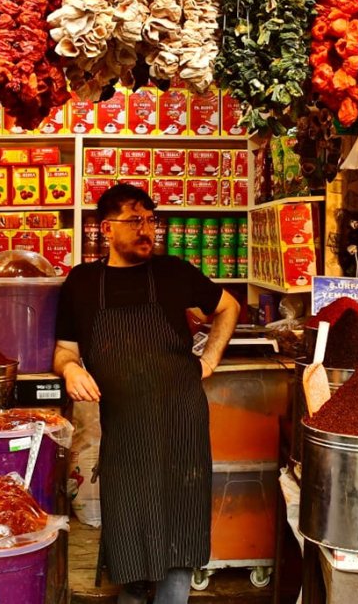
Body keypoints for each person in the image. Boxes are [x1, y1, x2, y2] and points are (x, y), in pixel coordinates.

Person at [53, 183, 241, 604]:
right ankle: (134, 592)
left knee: (181, 513)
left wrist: (209, 360)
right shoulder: (83, 282)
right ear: (107, 228)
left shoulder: (174, 272)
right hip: (124, 423)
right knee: (127, 513)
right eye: (135, 220)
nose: (146, 229)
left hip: (181, 417)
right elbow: (65, 350)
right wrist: (70, 369)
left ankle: (173, 598)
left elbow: (228, 306)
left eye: (151, 220)